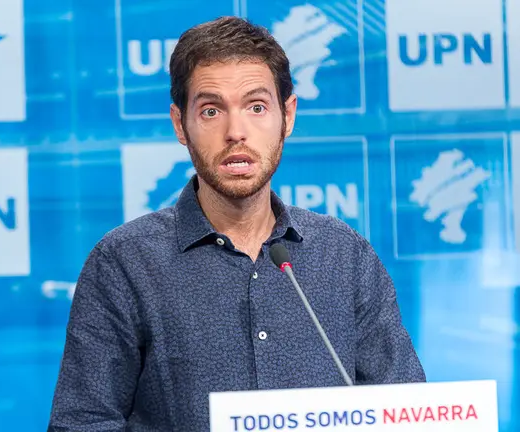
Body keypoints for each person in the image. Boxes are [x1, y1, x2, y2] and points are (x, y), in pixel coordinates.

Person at [47, 16, 425, 432]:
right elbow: (84, 423)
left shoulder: (344, 255)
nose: (236, 132)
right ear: (180, 125)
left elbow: (405, 409)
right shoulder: (124, 263)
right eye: (211, 110)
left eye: (257, 107)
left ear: (288, 116)